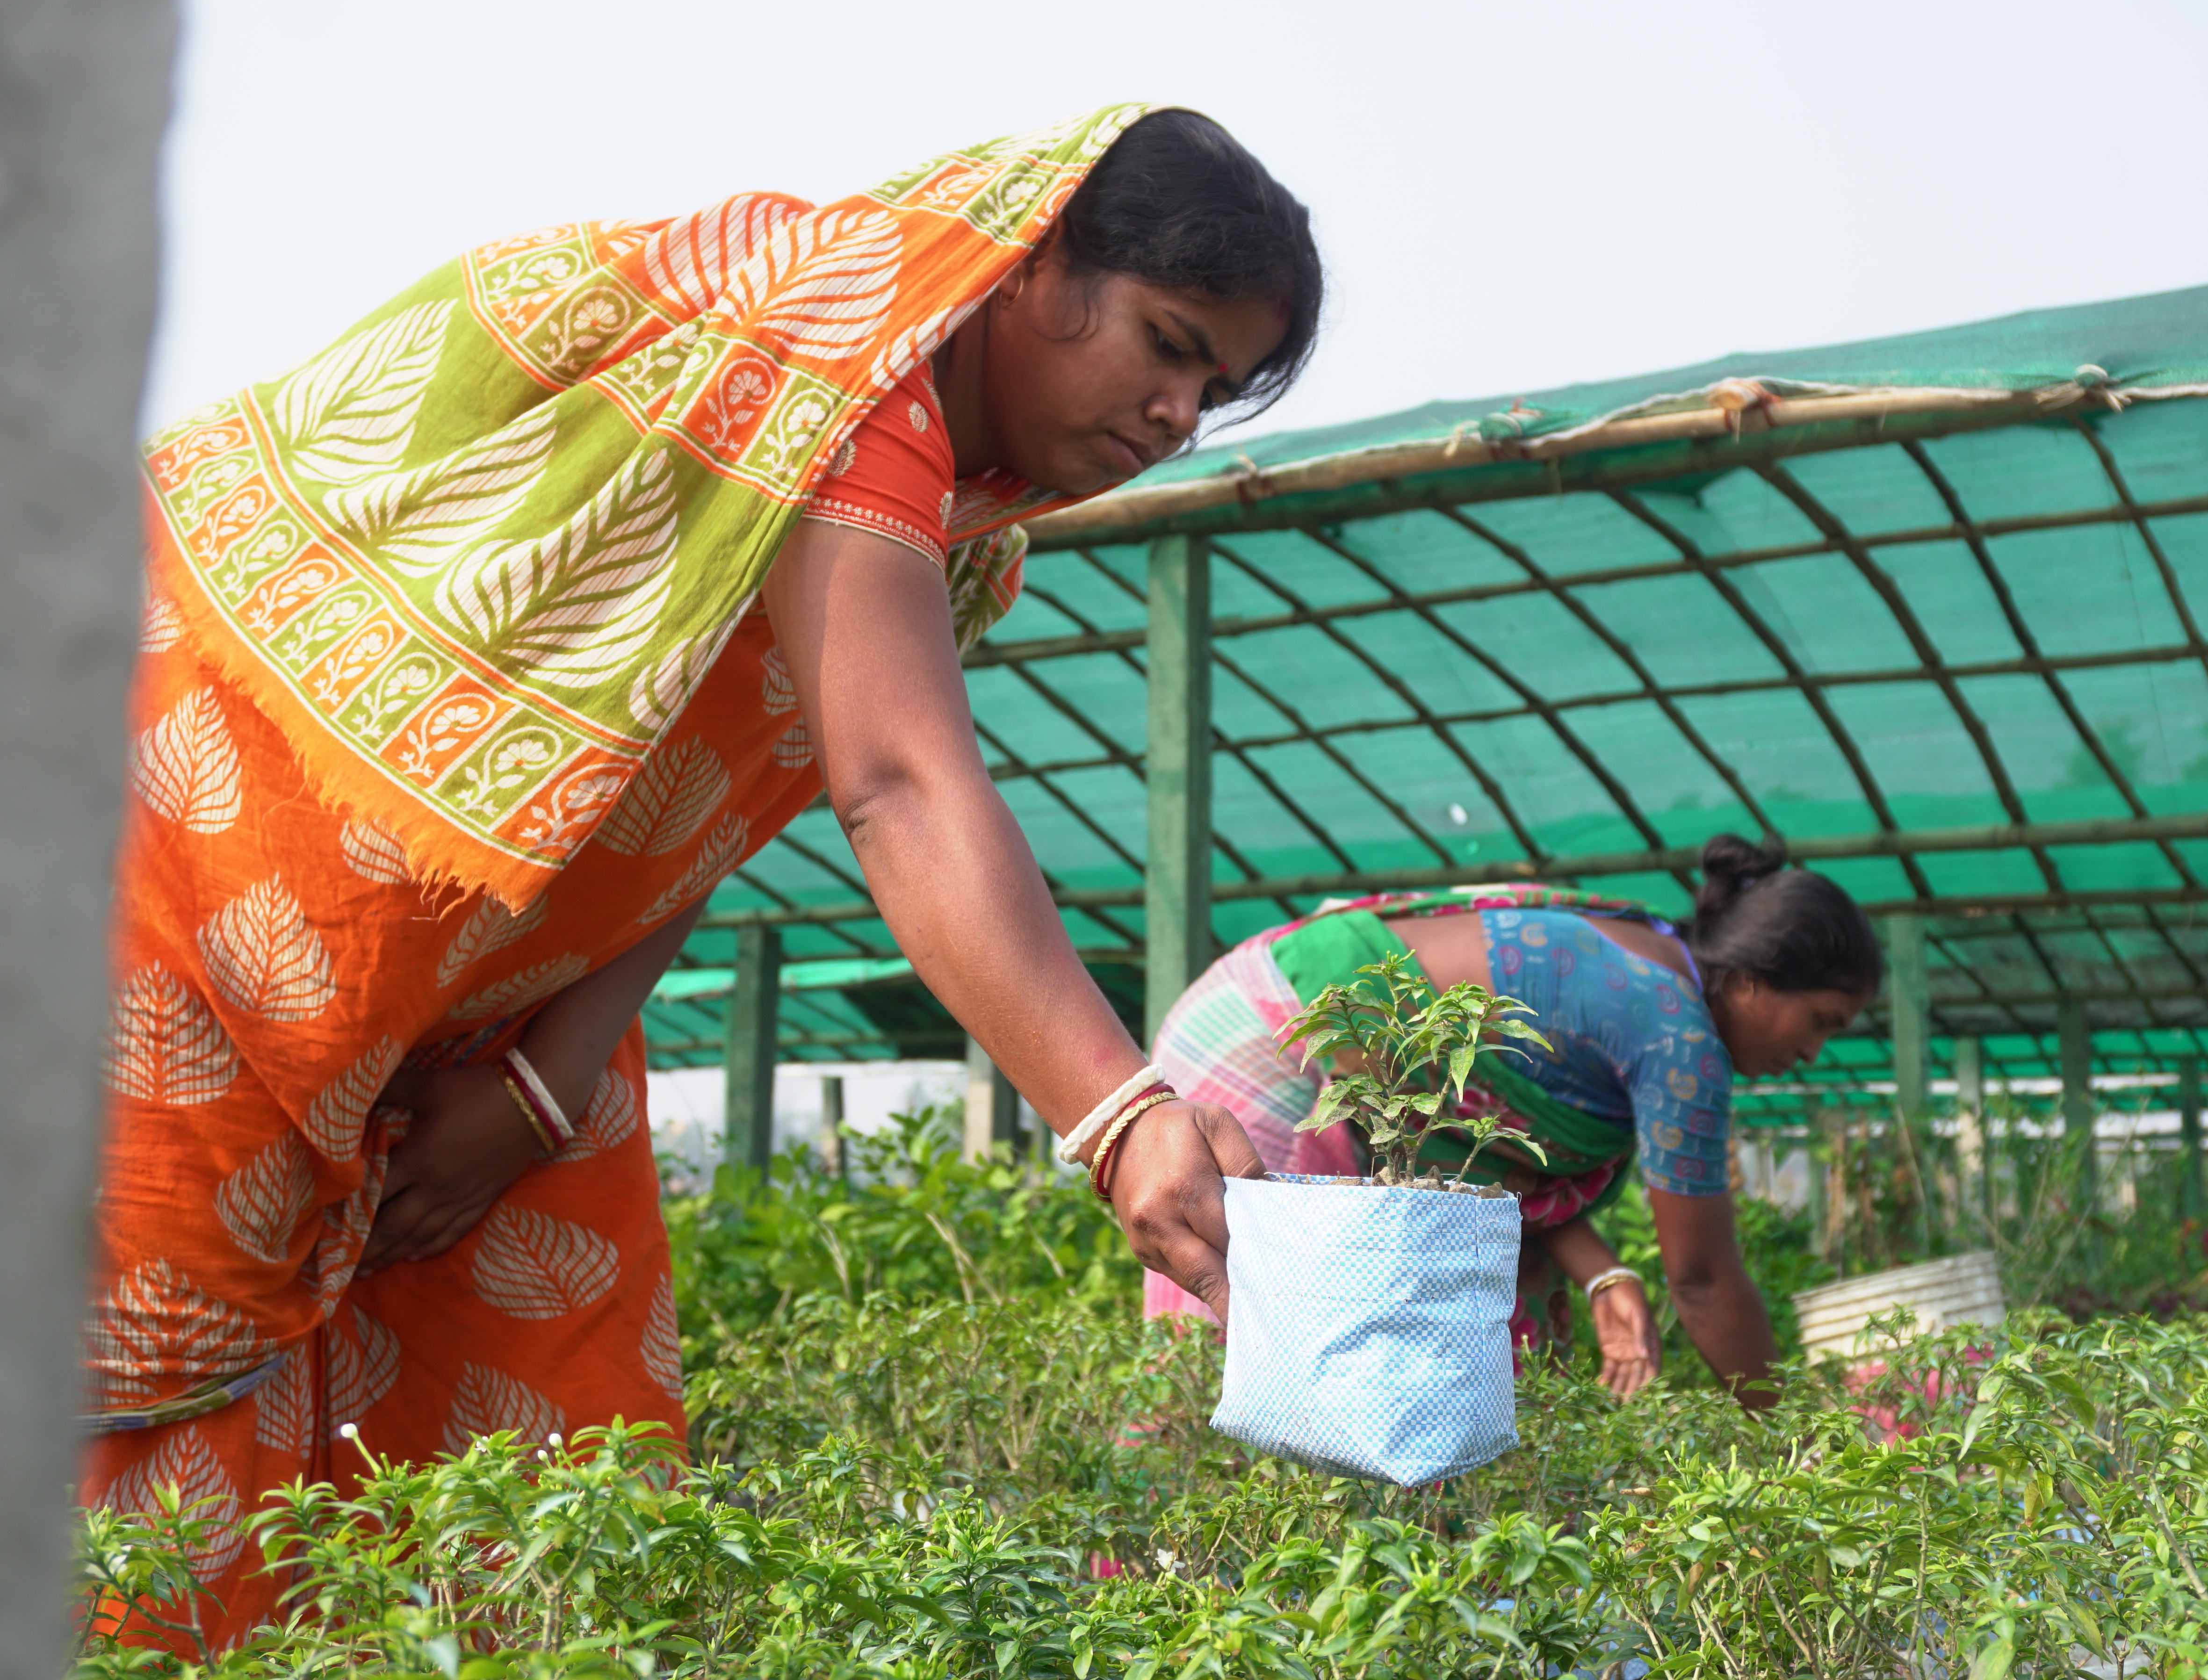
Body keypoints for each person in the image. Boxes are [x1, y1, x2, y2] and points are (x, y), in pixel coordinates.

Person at [88, 105, 1309, 1642]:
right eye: (1168, 344)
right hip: (211, 869)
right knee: (146, 1437)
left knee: (542, 1445)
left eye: (1215, 391)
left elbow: (692, 801)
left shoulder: (962, 534)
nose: (1178, 416)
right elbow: (897, 787)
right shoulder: (832, 353)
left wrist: (544, 1085)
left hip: (488, 981)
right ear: (1031, 258)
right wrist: (1119, 1115)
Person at [1143, 837, 1882, 1405]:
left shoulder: (1649, 954)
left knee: (1411, 1355)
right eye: (1820, 1020)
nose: (1812, 1052)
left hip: (1258, 1010)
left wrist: (1605, 1274)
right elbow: (1704, 1280)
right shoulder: (1680, 1036)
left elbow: (1494, 1172)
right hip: (1275, 1042)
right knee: (1256, 1360)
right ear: (1751, 981)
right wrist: (1791, 1440)